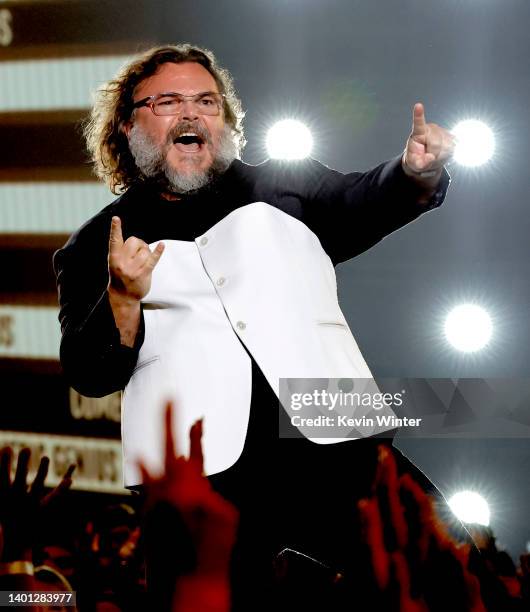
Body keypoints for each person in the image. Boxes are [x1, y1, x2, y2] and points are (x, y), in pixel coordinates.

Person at [53, 44, 456, 608]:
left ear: (227, 121)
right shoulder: (96, 242)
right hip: (203, 478)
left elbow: (368, 199)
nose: (191, 114)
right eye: (168, 101)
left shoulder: (287, 187)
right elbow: (88, 371)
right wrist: (122, 296)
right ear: (127, 124)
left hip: (340, 440)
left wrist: (415, 172)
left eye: (207, 102)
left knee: (450, 575)